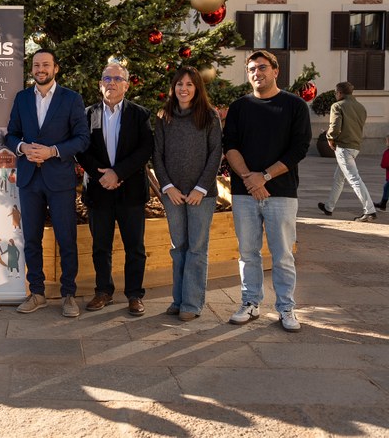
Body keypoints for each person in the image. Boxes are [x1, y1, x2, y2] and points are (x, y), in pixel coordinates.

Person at [223, 50, 311, 332]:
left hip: (281, 192)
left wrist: (265, 176)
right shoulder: (239, 107)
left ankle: (286, 308)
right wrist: (250, 178)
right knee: (248, 252)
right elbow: (230, 146)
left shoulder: (294, 106)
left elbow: (299, 148)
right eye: (251, 69)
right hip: (244, 191)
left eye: (262, 67)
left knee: (282, 254)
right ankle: (250, 303)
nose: (256, 73)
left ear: (275, 71)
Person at [5, 48, 90, 317]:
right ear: (32, 69)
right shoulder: (22, 99)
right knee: (31, 238)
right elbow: (10, 135)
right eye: (36, 65)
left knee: (67, 239)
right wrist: (22, 148)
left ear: (56, 68)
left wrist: (52, 151)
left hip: (59, 180)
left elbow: (82, 138)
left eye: (46, 65)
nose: (40, 69)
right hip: (30, 180)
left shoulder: (71, 99)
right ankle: (37, 293)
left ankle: (68, 295)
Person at [76, 61, 153, 317]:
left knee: (135, 247)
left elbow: (145, 150)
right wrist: (103, 176)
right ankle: (103, 291)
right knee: (101, 246)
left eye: (117, 79)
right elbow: (81, 150)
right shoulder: (87, 114)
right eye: (107, 79)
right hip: (99, 191)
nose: (112, 83)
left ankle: (134, 295)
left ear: (126, 85)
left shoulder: (139, 114)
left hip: (130, 191)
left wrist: (117, 173)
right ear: (100, 84)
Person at [152, 67, 222, 321]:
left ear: (197, 88)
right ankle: (178, 299)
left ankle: (192, 304)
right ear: (173, 87)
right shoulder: (164, 116)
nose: (184, 88)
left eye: (189, 84)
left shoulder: (209, 116)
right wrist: (167, 187)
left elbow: (216, 153)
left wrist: (200, 189)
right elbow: (157, 154)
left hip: (201, 195)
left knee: (196, 248)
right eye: (179, 84)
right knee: (178, 247)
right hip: (173, 194)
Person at [317, 82, 377, 222]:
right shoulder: (361, 108)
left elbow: (335, 126)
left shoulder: (337, 106)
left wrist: (330, 138)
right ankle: (329, 207)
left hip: (343, 147)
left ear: (339, 93)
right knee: (339, 177)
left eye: (335, 93)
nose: (335, 95)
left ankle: (370, 210)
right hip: (355, 146)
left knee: (354, 179)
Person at [375, 135, 389, 211]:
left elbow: (384, 164)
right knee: (386, 188)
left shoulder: (387, 152)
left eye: (387, 141)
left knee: (386, 188)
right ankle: (382, 204)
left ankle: (383, 205)